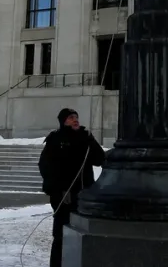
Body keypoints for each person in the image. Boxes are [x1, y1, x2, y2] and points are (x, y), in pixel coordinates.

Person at [38, 108, 105, 267]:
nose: (75, 120)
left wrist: (91, 141)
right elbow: (45, 166)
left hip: (83, 195)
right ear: (63, 121)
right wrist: (57, 190)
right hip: (63, 196)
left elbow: (100, 159)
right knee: (61, 235)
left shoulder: (85, 137)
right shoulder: (55, 139)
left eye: (76, 117)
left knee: (83, 234)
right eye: (70, 117)